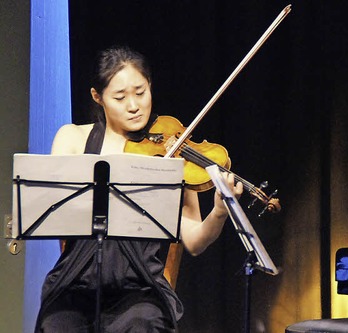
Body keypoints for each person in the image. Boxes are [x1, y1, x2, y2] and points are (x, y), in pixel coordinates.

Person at [36, 46, 242, 332]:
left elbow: (194, 240)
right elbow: (55, 211)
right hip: (76, 282)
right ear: (98, 97)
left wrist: (219, 211)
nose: (133, 105)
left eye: (141, 92)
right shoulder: (72, 139)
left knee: (143, 323)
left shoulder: (172, 150)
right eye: (120, 97)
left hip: (140, 287)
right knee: (56, 325)